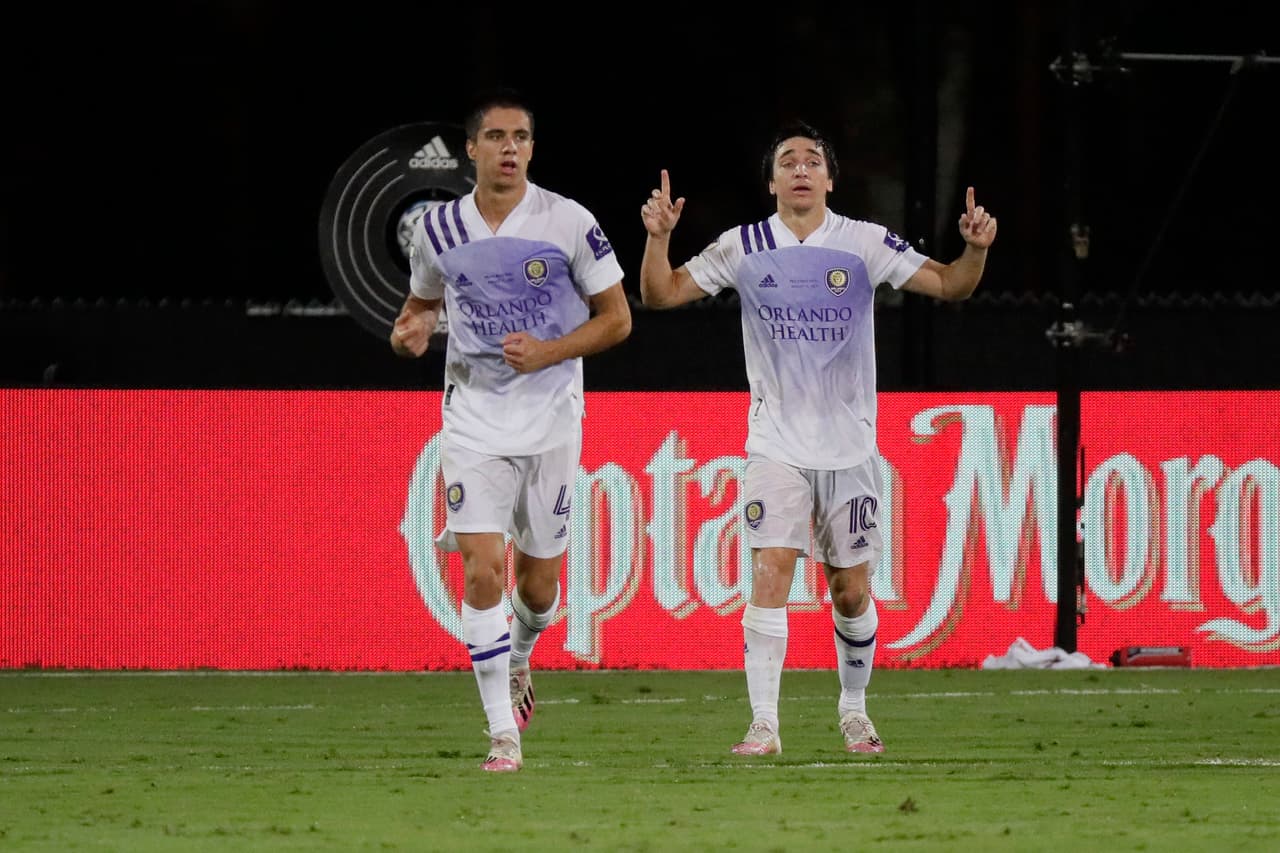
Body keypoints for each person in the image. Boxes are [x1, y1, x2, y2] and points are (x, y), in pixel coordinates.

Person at [639, 121, 996, 756]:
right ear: (771, 182)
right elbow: (659, 294)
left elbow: (950, 285)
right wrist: (658, 238)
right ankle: (763, 724)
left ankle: (854, 710)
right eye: (788, 161)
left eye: (812, 161)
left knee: (850, 590)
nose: (800, 169)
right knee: (770, 569)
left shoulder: (862, 242)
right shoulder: (743, 245)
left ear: (830, 180)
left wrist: (974, 251)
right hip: (774, 444)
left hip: (849, 448)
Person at [391, 90, 631, 772]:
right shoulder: (437, 229)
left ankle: (521, 654)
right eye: (496, 137)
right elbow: (421, 305)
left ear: (531, 148)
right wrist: (410, 331)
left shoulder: (569, 221)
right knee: (481, 569)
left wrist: (549, 351)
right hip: (471, 419)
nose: (509, 148)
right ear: (471, 149)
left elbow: (617, 320)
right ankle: (502, 733)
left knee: (538, 588)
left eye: (520, 137)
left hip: (551, 419)